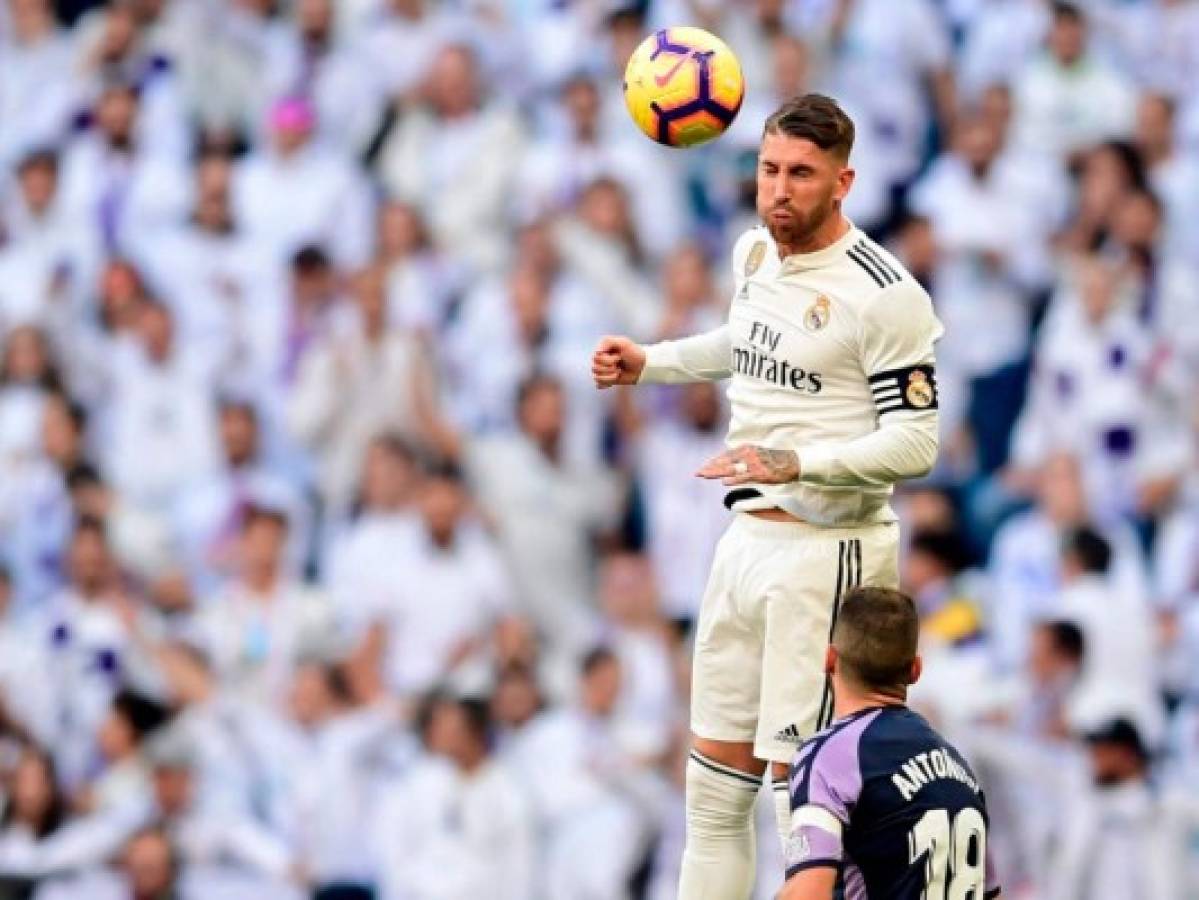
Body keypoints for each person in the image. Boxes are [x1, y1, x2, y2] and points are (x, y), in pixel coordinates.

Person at [591, 93, 942, 896]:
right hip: (742, 546)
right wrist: (653, 361)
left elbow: (917, 441)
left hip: (827, 557)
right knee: (713, 794)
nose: (779, 190)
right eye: (768, 170)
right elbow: (745, 343)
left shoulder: (886, 294)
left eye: (801, 175)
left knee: (803, 805)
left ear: (843, 182)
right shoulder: (754, 256)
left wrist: (797, 462)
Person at [779, 586, 1001, 900]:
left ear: (830, 659)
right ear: (915, 670)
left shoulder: (830, 756)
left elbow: (808, 893)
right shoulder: (959, 769)